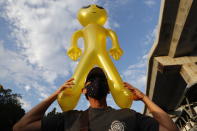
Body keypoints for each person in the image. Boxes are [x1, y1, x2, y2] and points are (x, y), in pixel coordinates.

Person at [13, 67, 178, 131]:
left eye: (101, 81)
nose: (97, 83)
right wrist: (56, 94)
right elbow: (21, 127)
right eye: (91, 81)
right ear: (84, 91)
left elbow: (171, 130)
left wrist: (144, 98)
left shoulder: (129, 115)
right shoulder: (69, 118)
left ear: (107, 90)